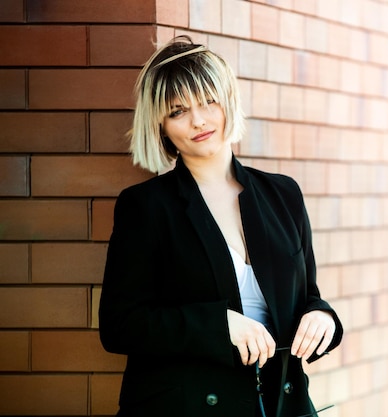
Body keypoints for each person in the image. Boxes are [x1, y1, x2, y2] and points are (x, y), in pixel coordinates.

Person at [99, 36, 343, 417]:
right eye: (178, 110)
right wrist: (218, 324)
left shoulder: (283, 194)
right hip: (188, 407)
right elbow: (120, 326)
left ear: (227, 100)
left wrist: (322, 316)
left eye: (208, 101)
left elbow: (308, 294)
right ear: (160, 125)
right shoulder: (145, 207)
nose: (198, 120)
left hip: (283, 404)